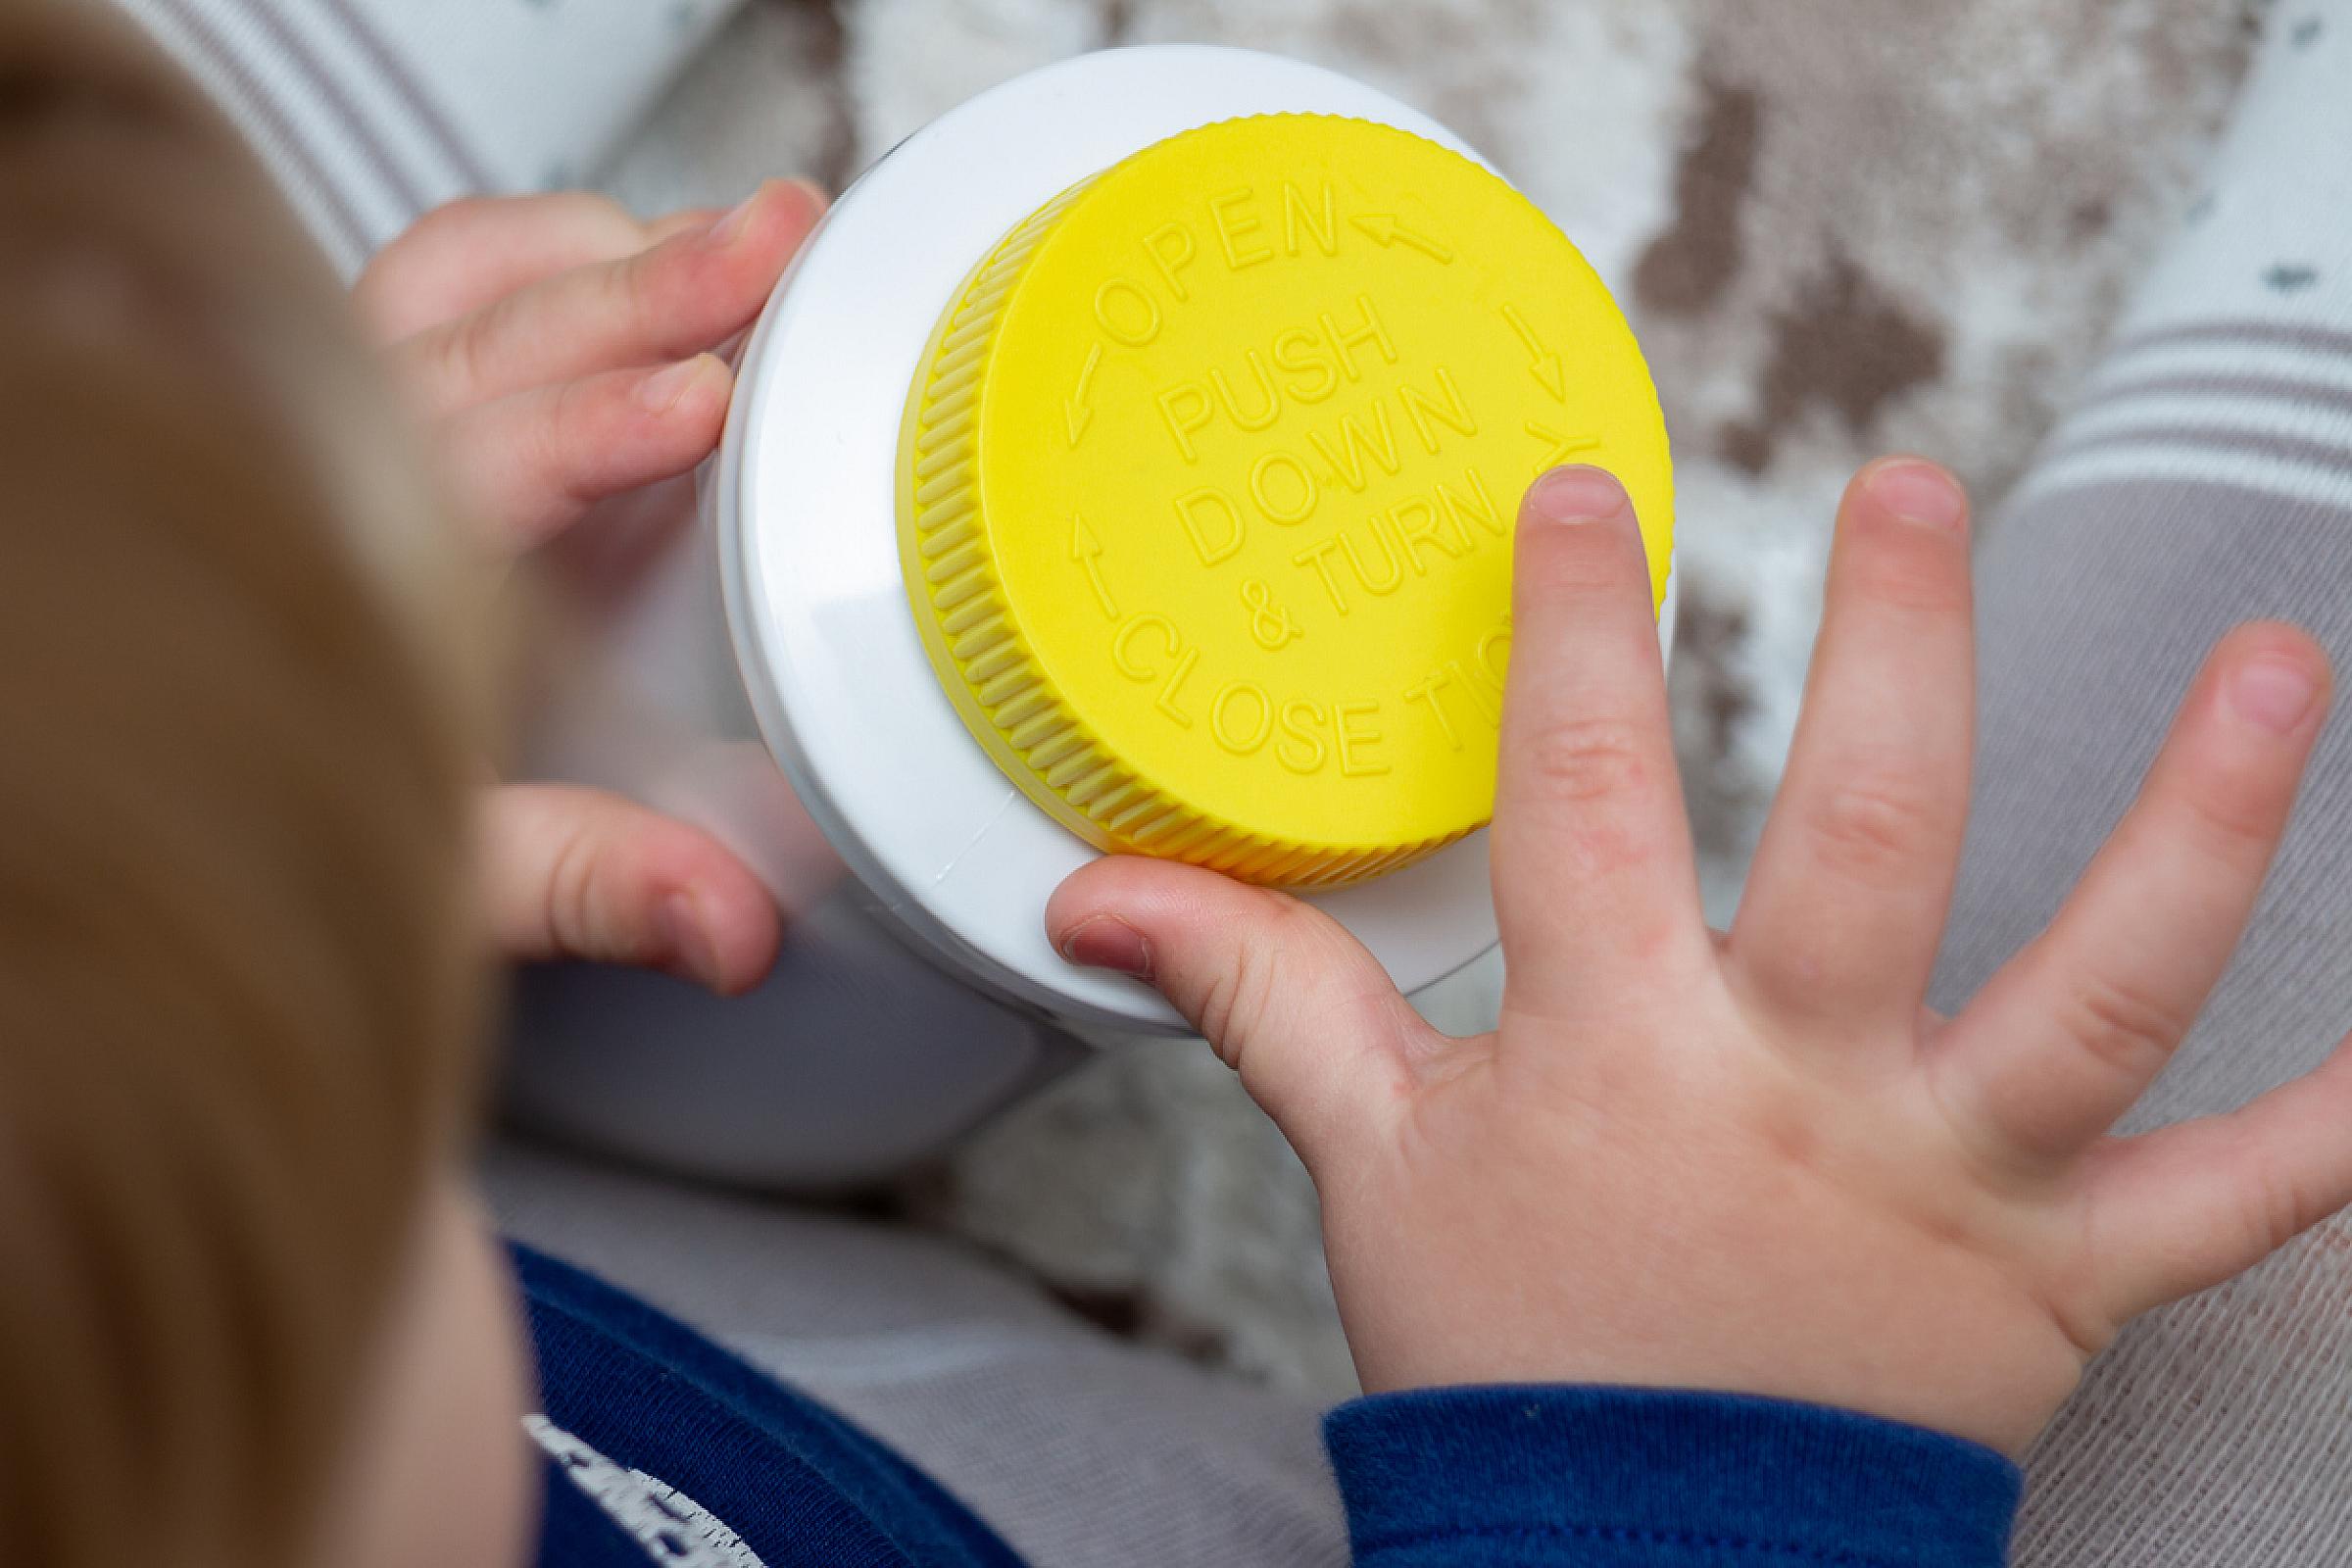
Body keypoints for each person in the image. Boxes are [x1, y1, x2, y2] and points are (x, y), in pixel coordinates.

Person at [5, 7, 2349, 1568]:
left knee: (148, 372)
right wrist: (1702, 1446)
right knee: (2103, 1210)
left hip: (574, 1226)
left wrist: (195, 716)